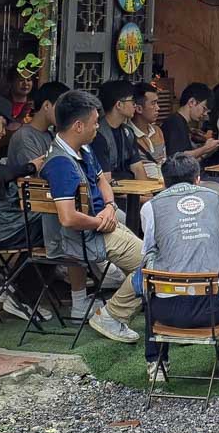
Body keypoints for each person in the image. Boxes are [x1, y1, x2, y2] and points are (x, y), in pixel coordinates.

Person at [41, 89, 144, 342]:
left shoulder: (83, 149)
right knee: (153, 265)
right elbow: (67, 218)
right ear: (78, 126)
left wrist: (109, 206)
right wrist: (100, 222)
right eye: (95, 122)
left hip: (101, 225)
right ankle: (112, 315)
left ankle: (126, 305)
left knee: (151, 259)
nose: (98, 127)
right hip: (86, 238)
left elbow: (101, 180)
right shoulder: (61, 163)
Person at [0, 96, 70, 320]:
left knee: (58, 222)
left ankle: (14, 287)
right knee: (61, 227)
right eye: (2, 124)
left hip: (10, 222)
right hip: (3, 229)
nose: (4, 131)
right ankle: (21, 297)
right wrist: (29, 167)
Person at [140, 153, 219, 382]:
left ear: (164, 182)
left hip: (168, 312)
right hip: (218, 308)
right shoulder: (216, 198)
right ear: (198, 179)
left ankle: (156, 363)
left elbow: (148, 250)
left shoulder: (150, 207)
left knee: (147, 278)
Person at [162, 82, 219, 228]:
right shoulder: (174, 123)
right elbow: (178, 158)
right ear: (192, 102)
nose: (205, 114)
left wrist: (208, 150)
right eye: (204, 108)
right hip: (184, 180)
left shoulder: (183, 124)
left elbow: (190, 156)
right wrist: (205, 149)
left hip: (194, 176)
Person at [92, 80, 148, 181]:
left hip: (130, 187)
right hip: (112, 188)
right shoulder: (98, 135)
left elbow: (137, 168)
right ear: (119, 104)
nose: (135, 105)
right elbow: (105, 180)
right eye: (132, 101)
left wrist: (146, 190)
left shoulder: (128, 132)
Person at [8, 81, 69, 170]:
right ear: (47, 105)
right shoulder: (24, 136)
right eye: (62, 107)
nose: (65, 113)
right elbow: (37, 173)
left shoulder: (51, 135)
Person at [132, 83, 166, 180]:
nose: (158, 108)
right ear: (139, 109)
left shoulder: (157, 131)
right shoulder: (128, 135)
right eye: (153, 103)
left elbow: (164, 161)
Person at [4, 65, 35, 134]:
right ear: (11, 82)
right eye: (21, 80)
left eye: (29, 80)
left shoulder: (34, 105)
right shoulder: (2, 104)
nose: (25, 83)